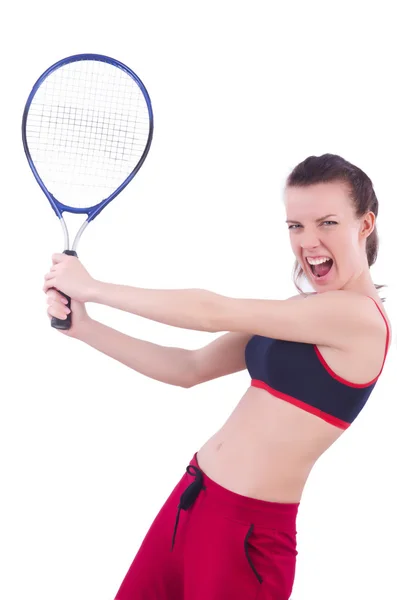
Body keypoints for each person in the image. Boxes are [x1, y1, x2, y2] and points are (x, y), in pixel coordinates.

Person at [43, 154, 391, 600]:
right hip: (192, 497)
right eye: (295, 226)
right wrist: (85, 328)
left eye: (326, 222)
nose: (308, 241)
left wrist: (94, 287)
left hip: (246, 536)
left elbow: (212, 311)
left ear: (364, 225)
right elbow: (189, 368)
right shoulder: (296, 310)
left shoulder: (360, 318)